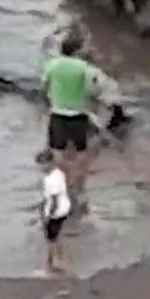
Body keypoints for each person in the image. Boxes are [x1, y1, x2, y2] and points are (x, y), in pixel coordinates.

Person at [40, 33, 100, 209]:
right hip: (79, 115)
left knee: (58, 153)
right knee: (81, 155)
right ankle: (79, 190)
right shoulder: (85, 68)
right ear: (78, 50)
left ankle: (62, 186)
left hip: (58, 114)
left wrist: (52, 99)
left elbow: (44, 87)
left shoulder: (52, 65)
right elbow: (93, 91)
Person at [39, 151, 73, 274]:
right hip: (65, 208)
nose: (41, 168)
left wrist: (48, 216)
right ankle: (61, 259)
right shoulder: (59, 174)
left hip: (56, 212)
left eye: (43, 164)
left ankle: (52, 264)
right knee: (56, 237)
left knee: (51, 238)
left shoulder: (50, 180)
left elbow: (53, 200)